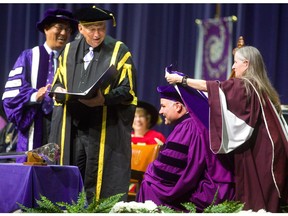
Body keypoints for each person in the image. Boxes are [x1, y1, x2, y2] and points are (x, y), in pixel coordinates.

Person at [165, 45, 288, 212]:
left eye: (235, 62)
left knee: (259, 202)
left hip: (262, 151)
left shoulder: (246, 85)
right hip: (269, 148)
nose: (232, 66)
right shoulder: (261, 87)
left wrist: (183, 81)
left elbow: (215, 88)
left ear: (246, 63)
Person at [49, 5, 137, 203]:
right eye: (92, 29)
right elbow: (57, 82)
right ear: (81, 29)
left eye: (101, 28)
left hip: (103, 126)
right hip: (73, 126)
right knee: (73, 174)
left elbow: (128, 90)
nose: (97, 34)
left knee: (97, 180)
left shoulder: (119, 51)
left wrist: (103, 100)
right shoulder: (69, 51)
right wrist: (60, 90)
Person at [136, 85, 235, 212]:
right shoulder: (199, 122)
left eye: (163, 106)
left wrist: (149, 169)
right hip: (219, 187)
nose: (160, 111)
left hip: (207, 191)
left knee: (150, 185)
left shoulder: (187, 127)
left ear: (178, 106)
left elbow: (168, 172)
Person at [1, 9, 78, 162]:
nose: (64, 33)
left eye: (68, 29)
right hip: (35, 123)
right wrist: (34, 95)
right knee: (32, 171)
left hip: (62, 123)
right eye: (59, 27)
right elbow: (11, 94)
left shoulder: (72, 62)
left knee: (57, 172)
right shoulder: (29, 56)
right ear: (46, 28)